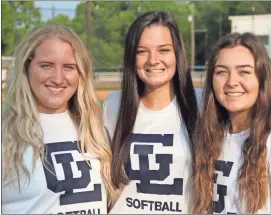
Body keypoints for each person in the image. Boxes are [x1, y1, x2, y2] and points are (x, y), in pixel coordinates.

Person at [2, 24, 116, 214]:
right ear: (26, 68)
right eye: (46, 65)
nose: (58, 78)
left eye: (69, 67)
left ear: (81, 73)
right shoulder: (6, 134)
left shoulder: (96, 128)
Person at [103, 11, 202, 214]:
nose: (153, 60)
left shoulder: (200, 103)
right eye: (141, 51)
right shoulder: (114, 105)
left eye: (163, 50)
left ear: (177, 53)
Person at [193, 32, 271, 214]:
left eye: (244, 72)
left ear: (262, 79)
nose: (231, 82)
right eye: (222, 72)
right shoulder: (209, 135)